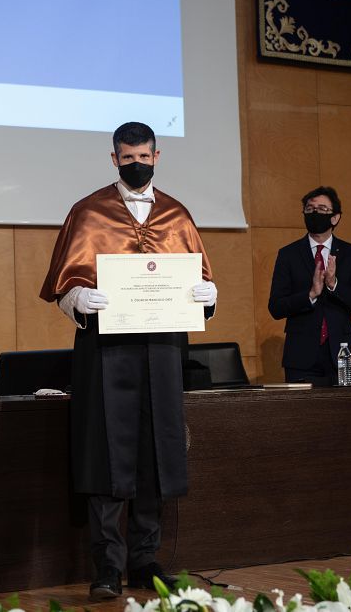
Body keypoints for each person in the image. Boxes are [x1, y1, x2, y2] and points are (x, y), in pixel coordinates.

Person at [39, 122, 217, 601]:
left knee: (155, 452)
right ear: (114, 158)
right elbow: (61, 287)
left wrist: (208, 296)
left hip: (161, 350)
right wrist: (77, 298)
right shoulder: (89, 211)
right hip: (106, 351)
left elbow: (197, 282)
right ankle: (106, 566)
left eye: (143, 156)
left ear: (157, 156)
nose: (136, 163)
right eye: (126, 156)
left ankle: (145, 560)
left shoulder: (178, 215)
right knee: (106, 453)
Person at [267, 186, 351, 385]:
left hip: (341, 354)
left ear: (335, 217)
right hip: (301, 356)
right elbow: (276, 307)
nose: (314, 213)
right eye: (309, 209)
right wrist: (311, 294)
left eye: (322, 209)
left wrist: (334, 284)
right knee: (303, 415)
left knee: (344, 413)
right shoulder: (288, 254)